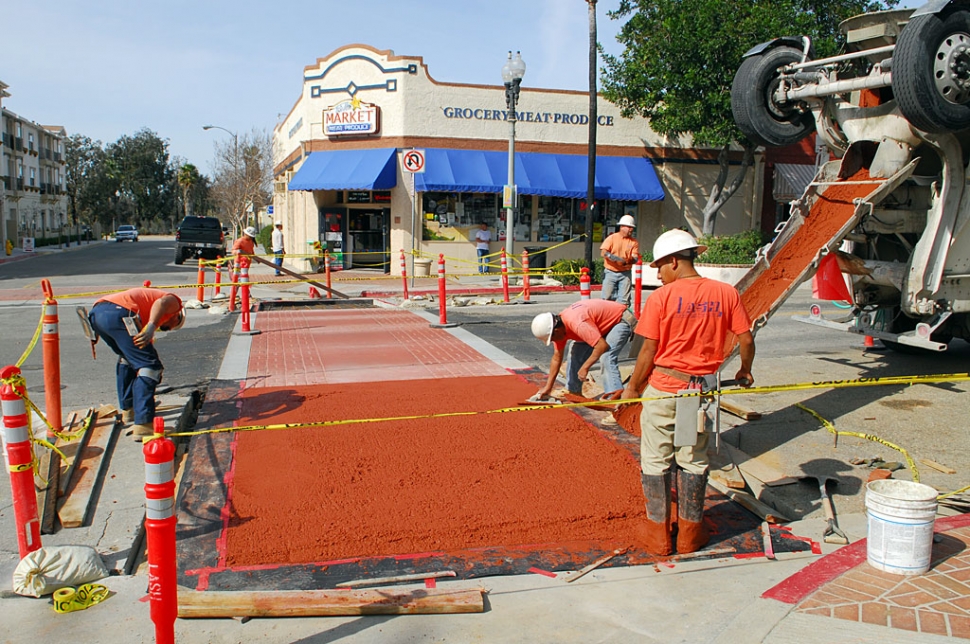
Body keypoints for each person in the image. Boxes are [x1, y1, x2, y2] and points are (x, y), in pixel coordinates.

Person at [621, 229, 755, 556]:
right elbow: (746, 339)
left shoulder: (662, 298)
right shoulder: (726, 294)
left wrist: (633, 388)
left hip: (664, 388)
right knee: (692, 459)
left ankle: (658, 535)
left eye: (660, 266)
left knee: (656, 458)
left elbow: (647, 350)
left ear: (675, 261)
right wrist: (744, 370)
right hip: (696, 394)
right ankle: (690, 535)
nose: (657, 272)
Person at [88, 288, 185, 438]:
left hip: (98, 313)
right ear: (176, 316)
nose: (168, 327)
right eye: (173, 326)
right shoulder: (175, 303)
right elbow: (161, 303)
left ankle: (130, 409)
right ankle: (144, 424)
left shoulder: (145, 313)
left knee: (127, 359)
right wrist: (152, 327)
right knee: (150, 367)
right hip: (120, 313)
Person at [531, 299, 635, 401]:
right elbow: (556, 358)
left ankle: (615, 402)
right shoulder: (560, 327)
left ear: (557, 331)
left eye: (552, 339)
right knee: (575, 350)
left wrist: (585, 367)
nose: (553, 341)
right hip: (600, 325)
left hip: (620, 320)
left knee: (606, 356)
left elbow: (602, 346)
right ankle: (573, 391)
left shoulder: (577, 323)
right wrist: (548, 387)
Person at [599, 214, 640, 306]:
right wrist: (616, 259)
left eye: (632, 227)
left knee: (624, 301)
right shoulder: (612, 238)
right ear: (622, 227)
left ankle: (622, 318)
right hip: (610, 272)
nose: (631, 229)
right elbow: (604, 252)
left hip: (625, 274)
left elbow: (635, 258)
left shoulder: (634, 242)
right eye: (629, 227)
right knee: (607, 298)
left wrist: (628, 261)